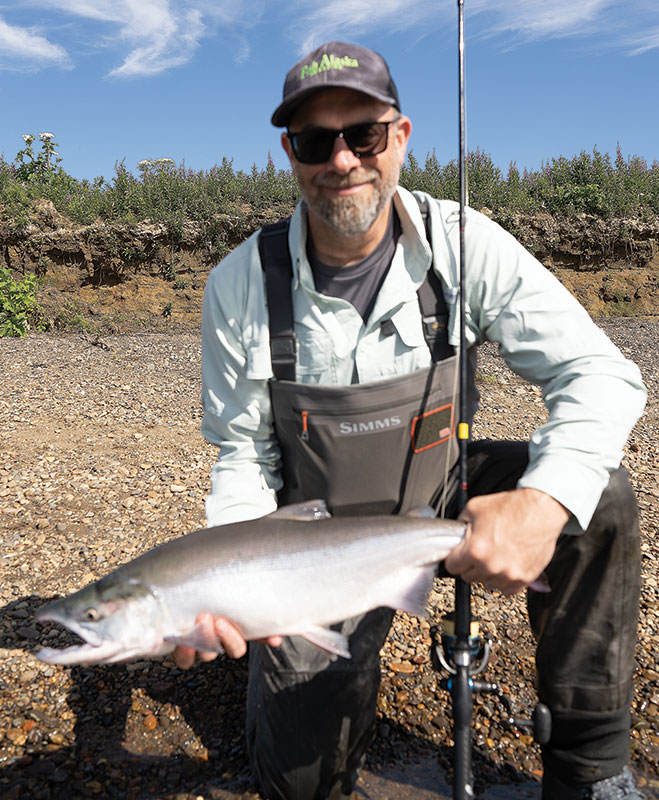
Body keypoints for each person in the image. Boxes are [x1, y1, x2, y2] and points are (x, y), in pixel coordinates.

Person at [176, 42, 647, 800]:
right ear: (289, 154)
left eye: (361, 134)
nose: (340, 160)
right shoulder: (238, 285)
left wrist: (542, 501)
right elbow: (242, 453)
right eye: (313, 140)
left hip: (443, 494)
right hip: (314, 536)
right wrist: (231, 579)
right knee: (297, 783)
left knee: (601, 501)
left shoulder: (466, 243)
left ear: (398, 137)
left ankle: (591, 766)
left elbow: (599, 373)